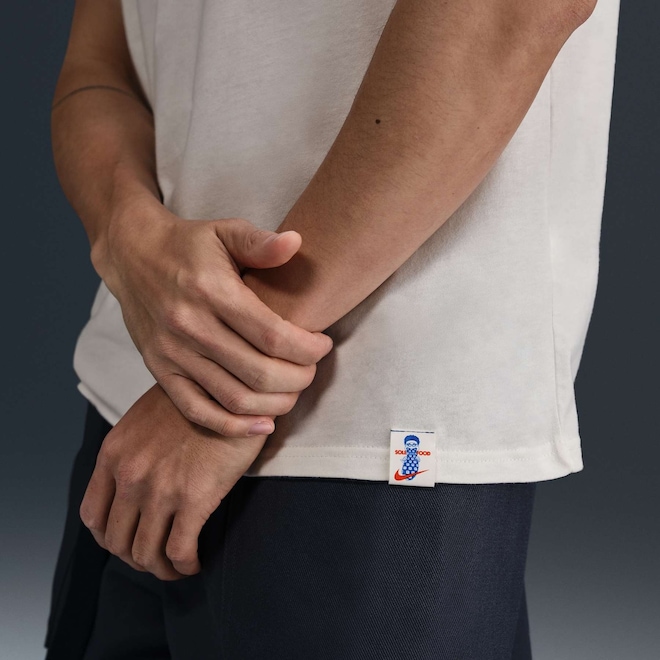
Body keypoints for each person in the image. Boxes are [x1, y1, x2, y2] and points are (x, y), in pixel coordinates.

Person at [44, 0, 621, 658]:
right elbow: (99, 68)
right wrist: (127, 235)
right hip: (137, 421)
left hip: (377, 439)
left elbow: (509, 12)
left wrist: (228, 375)